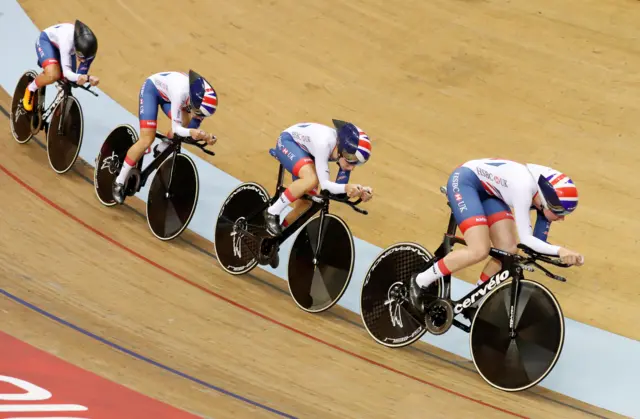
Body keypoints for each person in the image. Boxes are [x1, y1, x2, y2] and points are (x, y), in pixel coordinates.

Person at [409, 158, 584, 312]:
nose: (562, 218)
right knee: (479, 250)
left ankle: (474, 303)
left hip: (489, 193)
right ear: (548, 202)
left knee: (508, 251)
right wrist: (560, 250)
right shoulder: (523, 188)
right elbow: (527, 240)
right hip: (466, 182)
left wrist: (564, 257)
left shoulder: (545, 204)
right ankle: (419, 281)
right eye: (560, 212)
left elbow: (534, 247)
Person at [112, 70, 218, 204]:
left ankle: (162, 147)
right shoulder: (180, 92)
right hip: (152, 91)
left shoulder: (202, 101)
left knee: (185, 125)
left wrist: (206, 137)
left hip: (169, 97)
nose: (198, 115)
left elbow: (191, 128)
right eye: (198, 112)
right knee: (147, 139)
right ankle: (119, 182)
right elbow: (177, 129)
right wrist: (192, 133)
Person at [264, 120, 374, 238]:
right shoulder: (324, 143)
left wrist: (359, 191)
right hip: (289, 142)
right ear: (343, 150)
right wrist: (347, 187)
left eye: (356, 163)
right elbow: (325, 185)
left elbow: (335, 193)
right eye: (351, 161)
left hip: (307, 152)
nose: (352, 167)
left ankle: (274, 238)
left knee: (307, 204)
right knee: (311, 179)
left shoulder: (345, 156)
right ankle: (272, 212)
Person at [23, 20, 100, 115]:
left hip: (68, 50)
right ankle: (31, 88)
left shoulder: (90, 51)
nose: (82, 61)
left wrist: (85, 79)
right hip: (47, 41)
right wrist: (89, 77)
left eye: (85, 58)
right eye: (80, 56)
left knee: (71, 83)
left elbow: (79, 78)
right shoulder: (67, 40)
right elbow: (67, 73)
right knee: (53, 75)